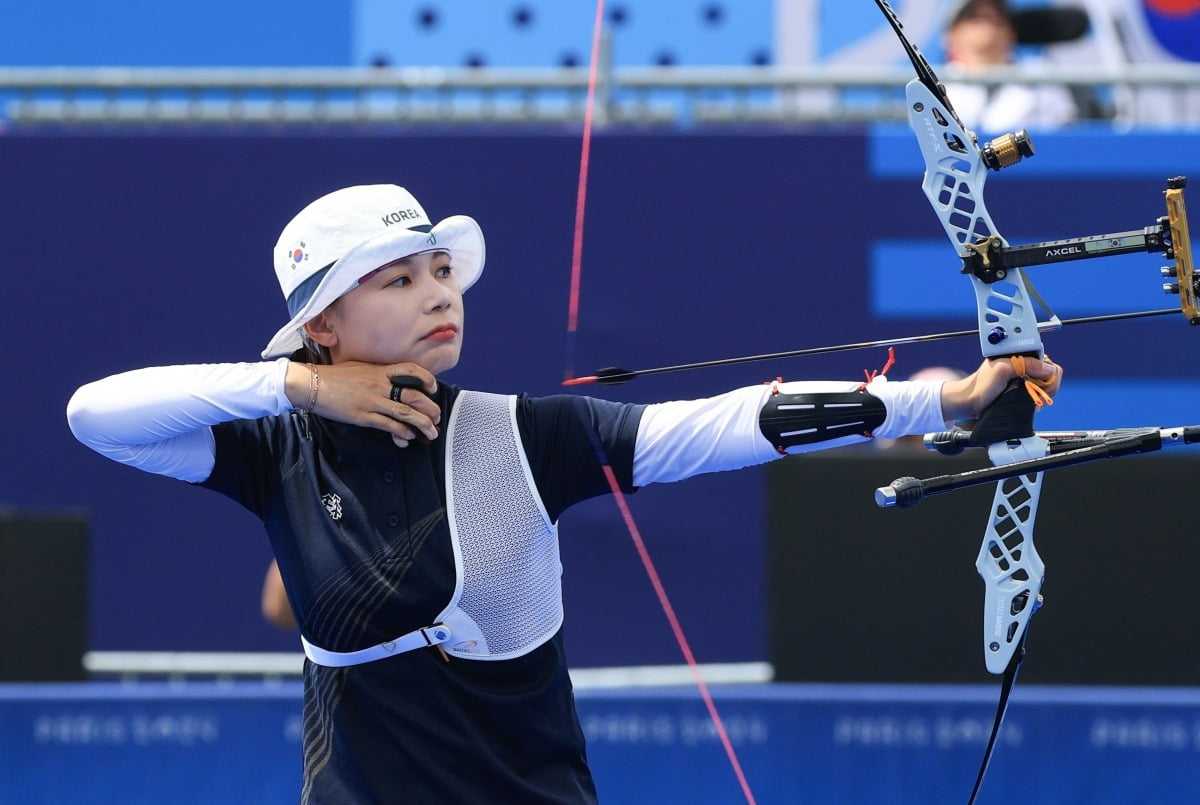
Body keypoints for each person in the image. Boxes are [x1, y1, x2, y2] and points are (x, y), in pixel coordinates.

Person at [65, 184, 1061, 803]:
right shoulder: (270, 448)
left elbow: (715, 425)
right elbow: (94, 413)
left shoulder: (521, 433)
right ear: (322, 321)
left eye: (439, 271)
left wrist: (941, 398)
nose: (439, 293)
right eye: (398, 279)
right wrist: (300, 385)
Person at [943, 0, 1078, 133]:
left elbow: (1064, 135)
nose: (988, 17)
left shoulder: (1042, 76)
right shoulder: (937, 86)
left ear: (1012, 32)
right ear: (951, 34)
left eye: (999, 15)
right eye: (974, 15)